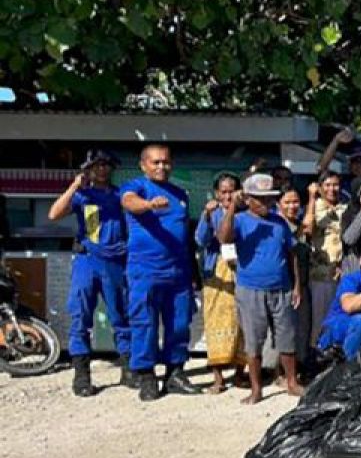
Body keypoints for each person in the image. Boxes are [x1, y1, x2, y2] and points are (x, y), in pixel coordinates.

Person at [120, 144, 202, 401]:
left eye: (165, 162)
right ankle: (145, 376)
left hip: (178, 271)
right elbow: (129, 202)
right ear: (143, 165)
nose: (161, 167)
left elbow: (186, 234)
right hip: (145, 270)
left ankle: (175, 372)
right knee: (144, 323)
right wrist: (148, 204)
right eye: (155, 162)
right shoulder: (136, 186)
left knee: (179, 323)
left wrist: (192, 272)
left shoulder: (180, 194)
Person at [47, 149, 130, 397]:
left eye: (106, 165)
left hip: (115, 261)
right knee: (80, 316)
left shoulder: (120, 195)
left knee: (121, 317)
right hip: (87, 260)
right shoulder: (83, 195)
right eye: (96, 165)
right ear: (88, 170)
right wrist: (74, 187)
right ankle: (81, 375)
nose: (102, 169)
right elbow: (53, 214)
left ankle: (128, 369)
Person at [217, 173, 303, 404]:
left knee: (287, 336)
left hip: (282, 288)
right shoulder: (241, 220)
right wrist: (232, 209)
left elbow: (292, 253)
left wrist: (296, 285)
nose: (266, 203)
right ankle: (256, 389)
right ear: (249, 199)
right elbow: (223, 239)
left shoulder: (279, 222)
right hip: (250, 290)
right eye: (261, 199)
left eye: (270, 199)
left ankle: (291, 382)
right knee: (254, 341)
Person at [194, 173, 245, 393]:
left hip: (241, 271)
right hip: (217, 271)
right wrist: (206, 215)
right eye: (223, 191)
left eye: (231, 191)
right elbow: (200, 240)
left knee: (241, 322)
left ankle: (240, 373)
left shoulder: (245, 212)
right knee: (216, 321)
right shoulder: (211, 213)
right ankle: (218, 377)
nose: (227, 195)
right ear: (216, 193)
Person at [302, 171, 347, 359]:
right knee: (320, 318)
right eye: (327, 185)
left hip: (341, 271)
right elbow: (307, 230)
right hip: (320, 271)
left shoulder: (345, 208)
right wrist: (312, 199)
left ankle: (335, 355)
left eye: (335, 184)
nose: (332, 189)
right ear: (320, 188)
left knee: (338, 317)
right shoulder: (315, 207)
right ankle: (316, 357)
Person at [271, 187, 312, 377]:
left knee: (302, 329)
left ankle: (299, 369)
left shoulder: (301, 228)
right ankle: (281, 372)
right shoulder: (275, 226)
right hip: (282, 284)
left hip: (302, 284)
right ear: (278, 204)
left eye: (295, 202)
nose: (292, 206)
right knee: (283, 330)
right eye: (287, 202)